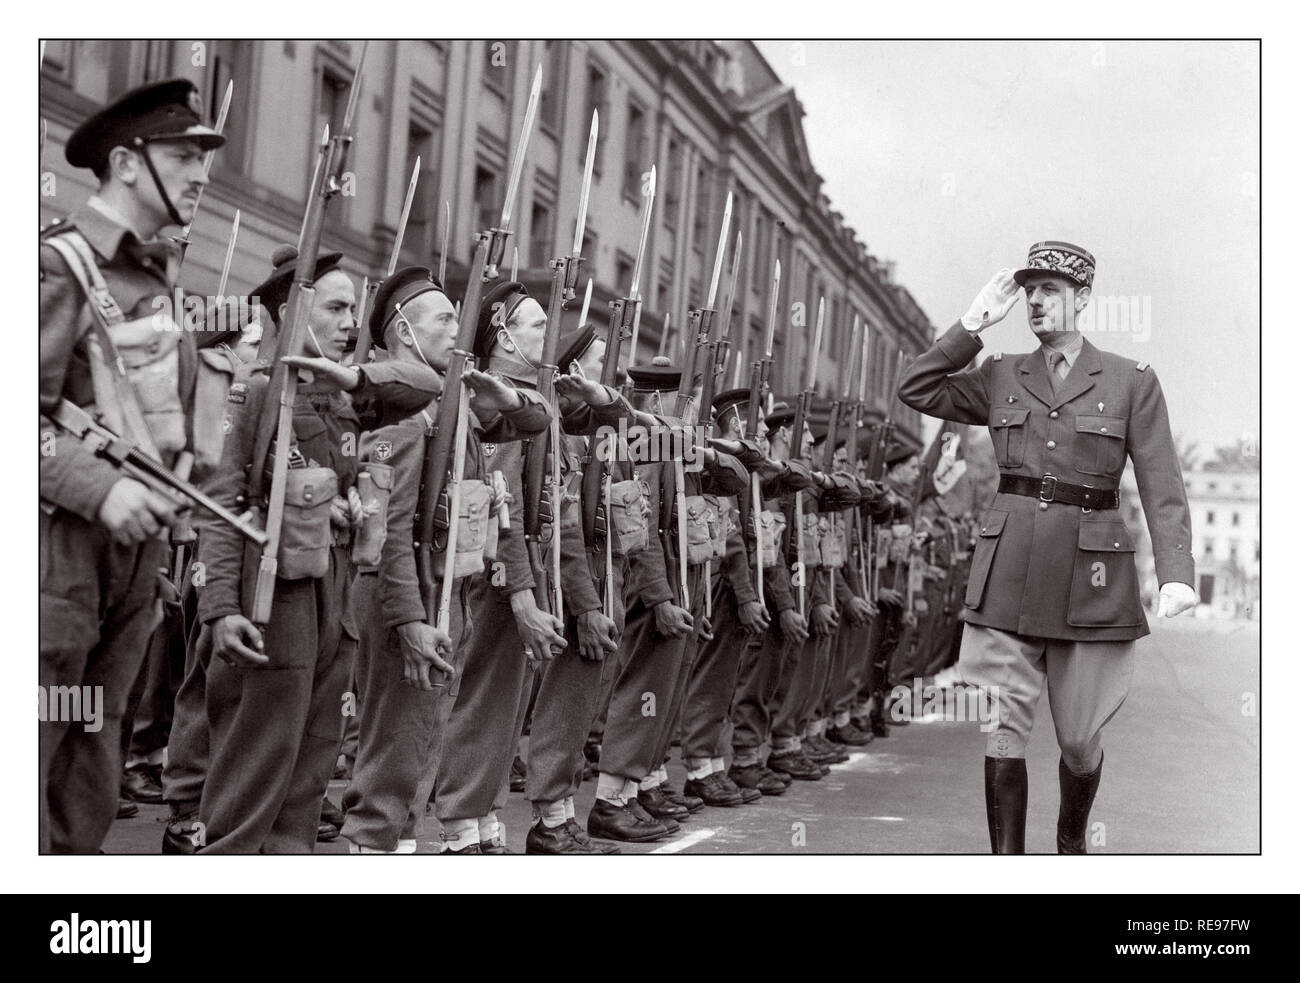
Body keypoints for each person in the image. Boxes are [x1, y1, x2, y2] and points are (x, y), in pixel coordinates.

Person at [898, 241, 1197, 853]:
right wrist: (973, 323)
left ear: (1083, 299)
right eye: (1029, 292)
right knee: (1003, 728)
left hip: (1092, 580)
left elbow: (1162, 482)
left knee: (1079, 739)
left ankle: (1070, 840)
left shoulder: (1130, 381)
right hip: (1008, 569)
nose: (1035, 302)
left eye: (1051, 292)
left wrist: (1175, 571)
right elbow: (917, 388)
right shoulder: (1002, 373)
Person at [194, 246, 442, 853]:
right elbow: (221, 506)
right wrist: (221, 607)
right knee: (258, 766)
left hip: (334, 596)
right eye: (334, 308)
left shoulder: (344, 395)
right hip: (274, 596)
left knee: (310, 769)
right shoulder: (256, 392)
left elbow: (428, 382)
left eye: (354, 309)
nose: (349, 323)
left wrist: (356, 376)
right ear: (292, 310)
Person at [40, 78, 225, 853]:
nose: (198, 174)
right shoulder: (57, 267)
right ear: (125, 163)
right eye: (183, 155)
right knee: (40, 736)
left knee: (93, 742)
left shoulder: (155, 282)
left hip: (132, 564)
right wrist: (103, 487)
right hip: (61, 559)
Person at [338, 266, 551, 854]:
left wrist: (501, 392)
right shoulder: (403, 422)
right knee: (394, 743)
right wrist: (409, 619)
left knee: (423, 738)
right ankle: (372, 846)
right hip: (402, 595)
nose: (460, 330)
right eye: (446, 318)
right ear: (404, 332)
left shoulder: (453, 412)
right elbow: (386, 534)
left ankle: (400, 843)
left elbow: (538, 419)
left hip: (445, 591)